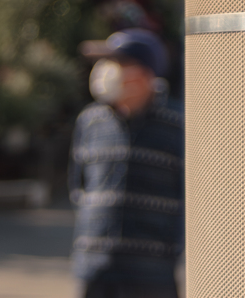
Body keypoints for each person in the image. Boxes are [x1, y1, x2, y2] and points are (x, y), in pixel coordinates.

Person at [69, 28, 184, 298]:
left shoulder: (178, 124)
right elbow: (78, 187)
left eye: (119, 63)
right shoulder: (90, 121)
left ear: (146, 73)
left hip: (152, 273)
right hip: (96, 267)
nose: (106, 71)